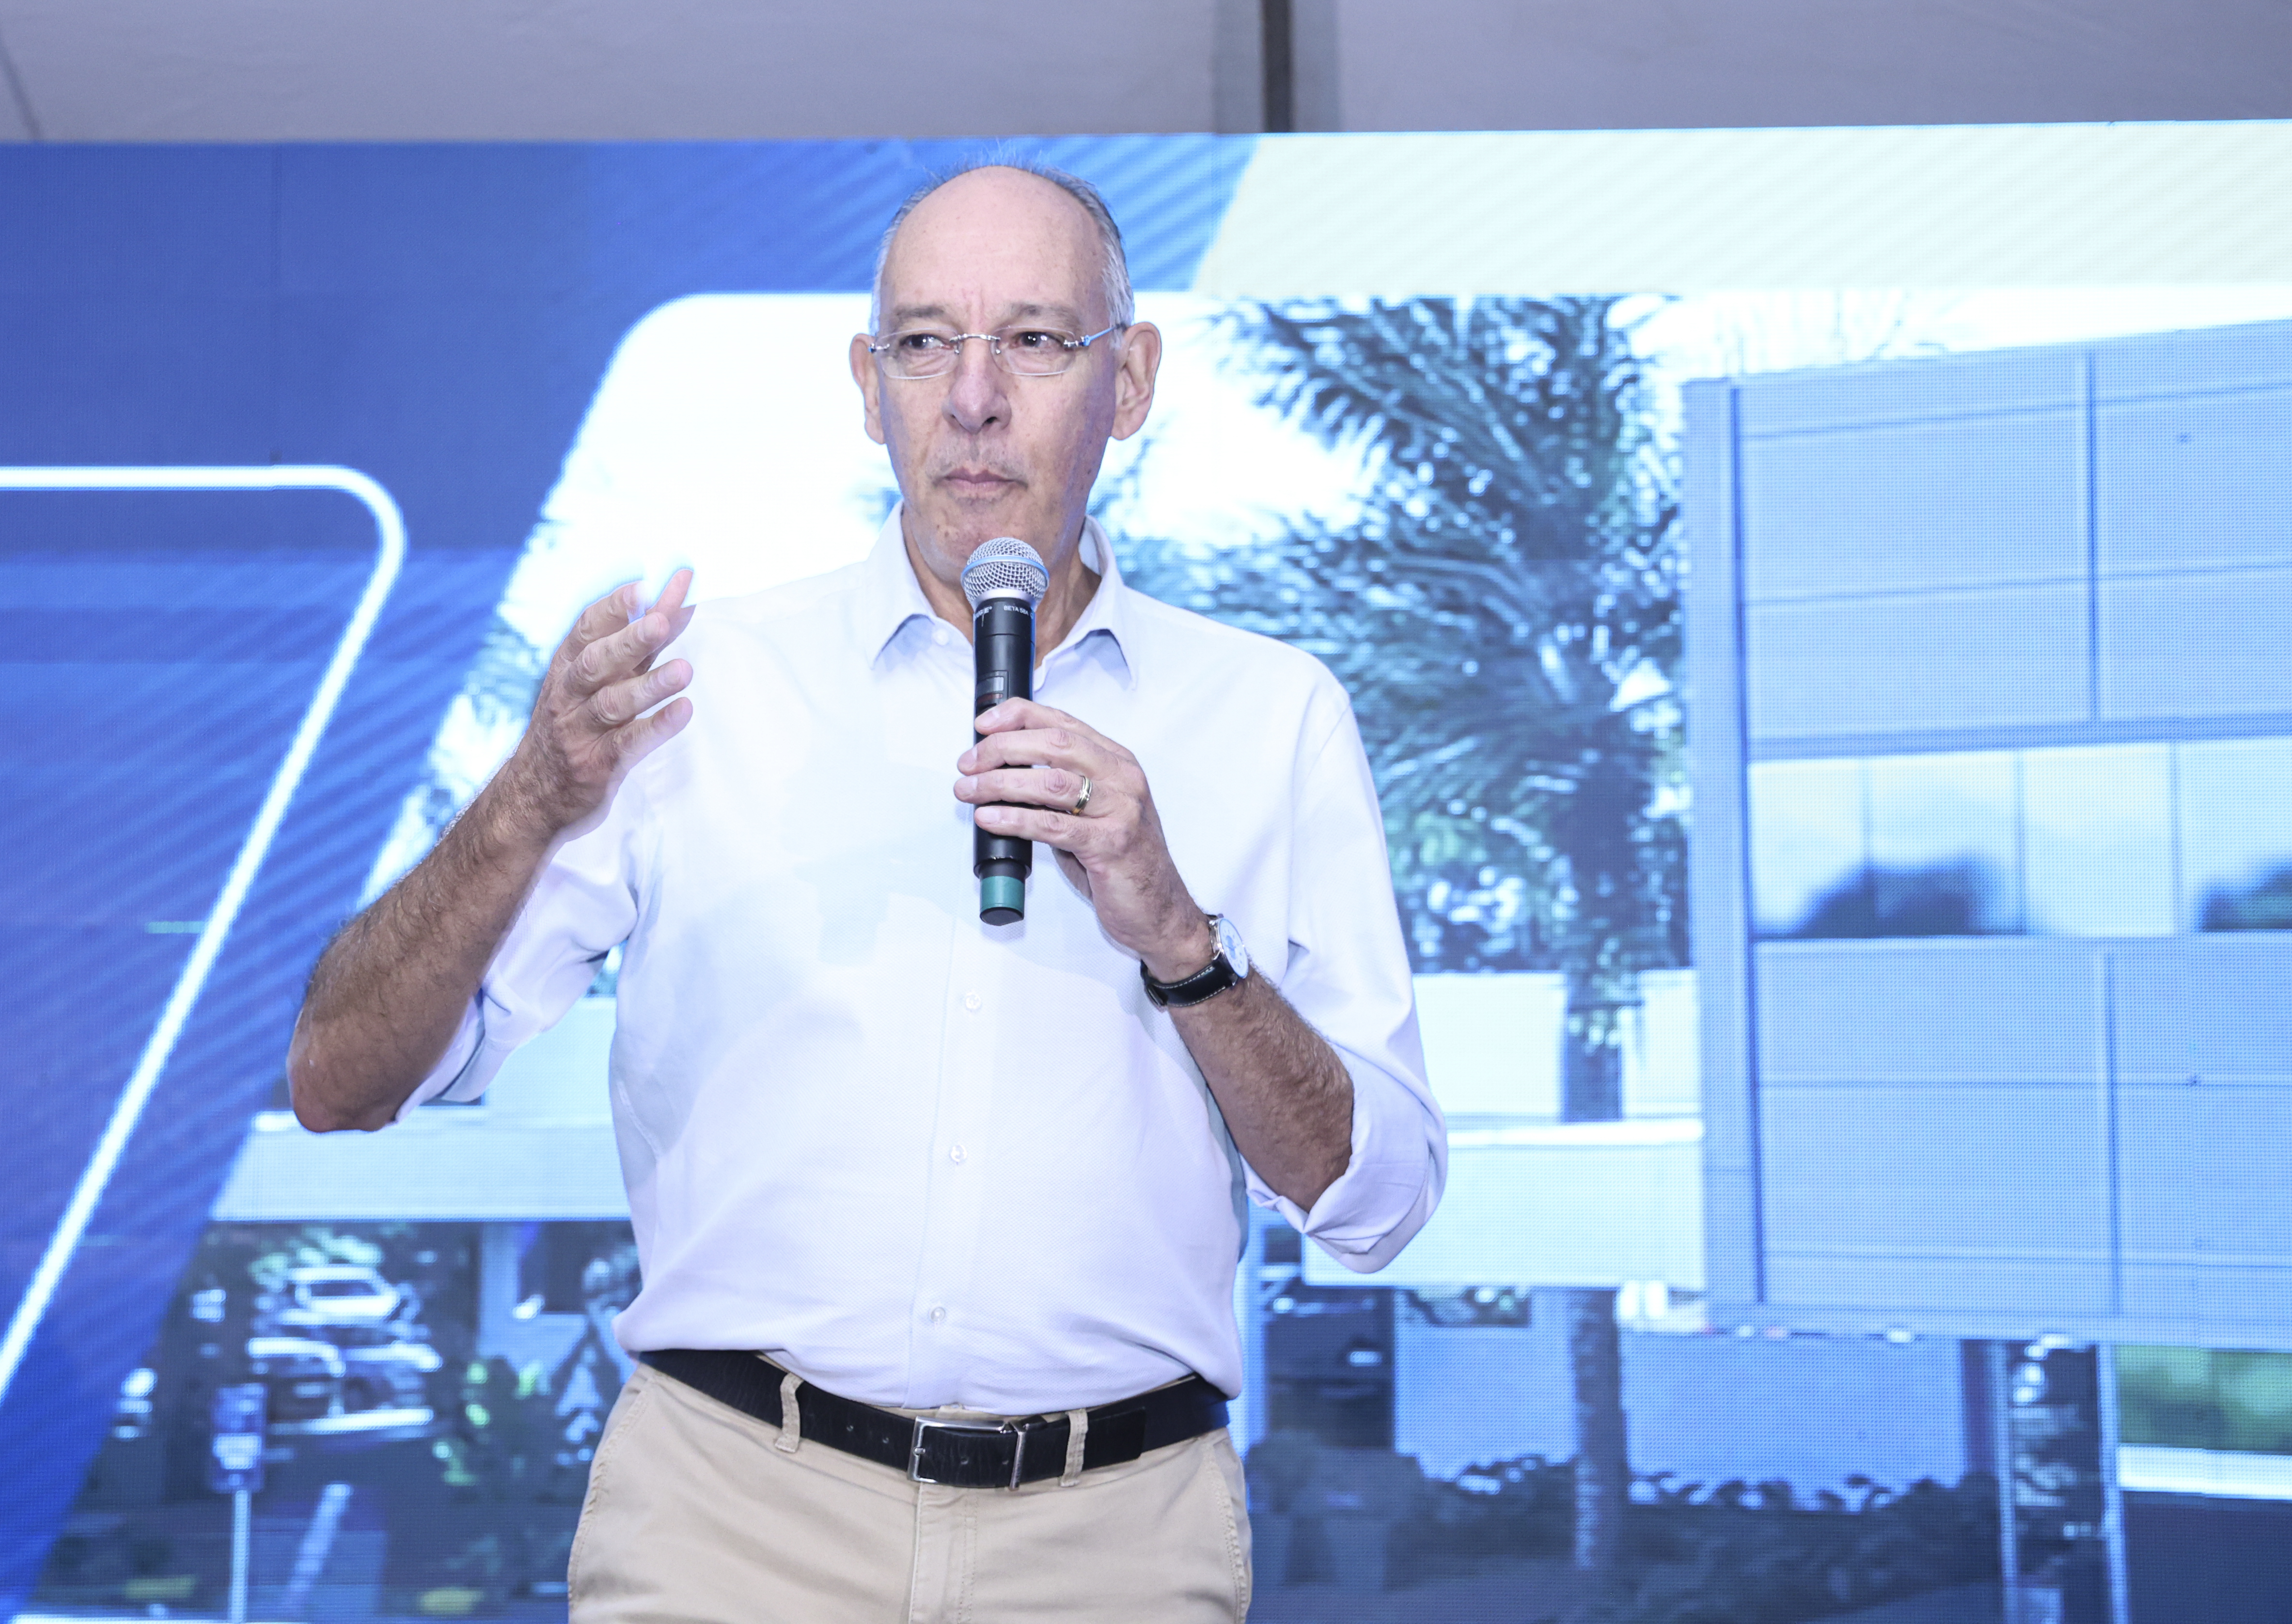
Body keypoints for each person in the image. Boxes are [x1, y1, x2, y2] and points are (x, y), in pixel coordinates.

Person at [287, 163, 1444, 1621]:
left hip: (1115, 1549)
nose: (970, 397)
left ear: (1131, 379)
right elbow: (340, 1079)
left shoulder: (1270, 713)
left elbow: (1380, 1202)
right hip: (730, 1528)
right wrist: (529, 796)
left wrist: (1177, 934)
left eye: (1033, 340)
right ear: (866, 381)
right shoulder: (691, 698)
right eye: (921, 342)